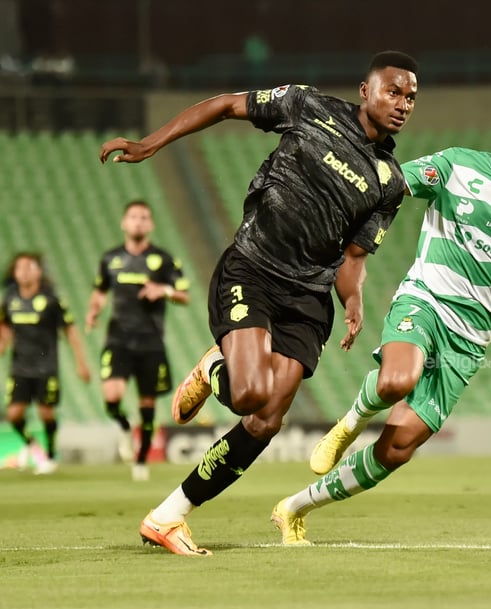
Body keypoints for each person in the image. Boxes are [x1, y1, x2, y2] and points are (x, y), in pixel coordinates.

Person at [99, 50, 419, 556]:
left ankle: (168, 517)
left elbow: (354, 257)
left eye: (410, 97)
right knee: (248, 394)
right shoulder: (307, 105)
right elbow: (227, 105)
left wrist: (353, 298)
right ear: (366, 90)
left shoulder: (390, 182)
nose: (402, 103)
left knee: (266, 419)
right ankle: (214, 370)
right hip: (253, 269)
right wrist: (151, 143)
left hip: (310, 297)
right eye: (393, 92)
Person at [271, 98, 491, 545]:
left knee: (397, 449)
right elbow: (393, 182)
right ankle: (348, 425)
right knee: (398, 379)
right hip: (426, 299)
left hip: (471, 338)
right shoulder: (456, 166)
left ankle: (294, 508)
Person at [85, 200, 190, 482]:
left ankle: (141, 460)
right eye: (134, 217)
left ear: (151, 225)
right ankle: (122, 425)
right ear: (124, 223)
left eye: (144, 217)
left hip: (150, 342)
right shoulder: (110, 259)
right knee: (112, 397)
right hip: (118, 338)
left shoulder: (164, 260)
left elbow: (184, 294)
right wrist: (94, 311)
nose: (139, 222)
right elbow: (100, 291)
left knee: (147, 404)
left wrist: (163, 290)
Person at [0, 252, 91, 473]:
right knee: (14, 414)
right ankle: (34, 449)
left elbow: (70, 330)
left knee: (46, 414)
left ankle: (50, 454)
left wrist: (81, 362)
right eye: (20, 268)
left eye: (29, 267)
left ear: (39, 272)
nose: (24, 272)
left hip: (46, 367)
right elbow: (4, 326)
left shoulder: (51, 300)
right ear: (15, 273)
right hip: (19, 367)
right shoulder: (10, 299)